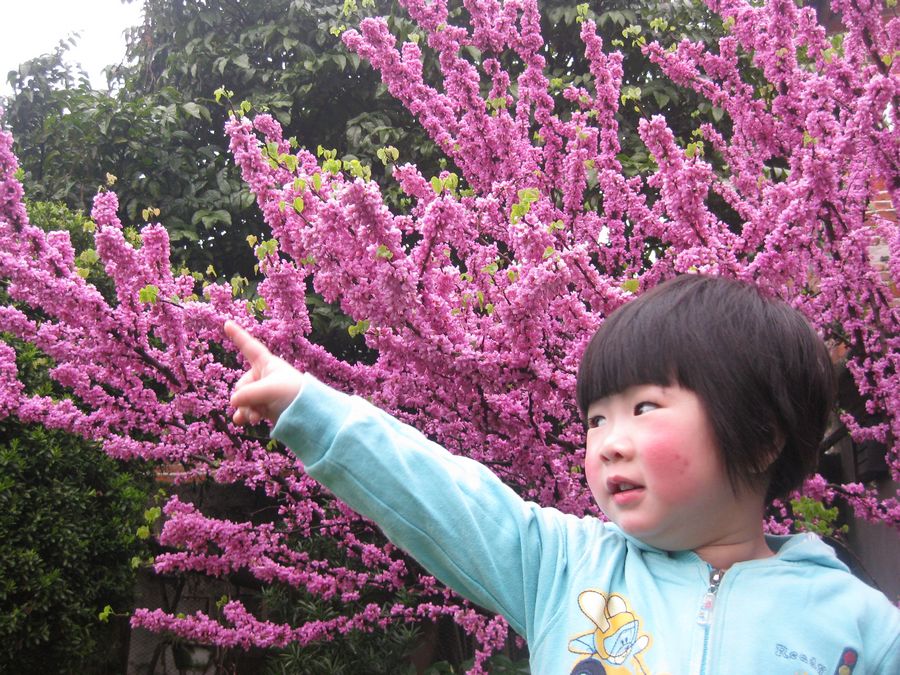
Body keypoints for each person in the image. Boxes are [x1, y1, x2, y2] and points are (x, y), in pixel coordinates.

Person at [225, 274, 899, 674]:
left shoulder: (861, 626)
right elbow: (435, 488)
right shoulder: (562, 565)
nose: (608, 443)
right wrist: (308, 405)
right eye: (596, 420)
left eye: (642, 408)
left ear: (760, 438)